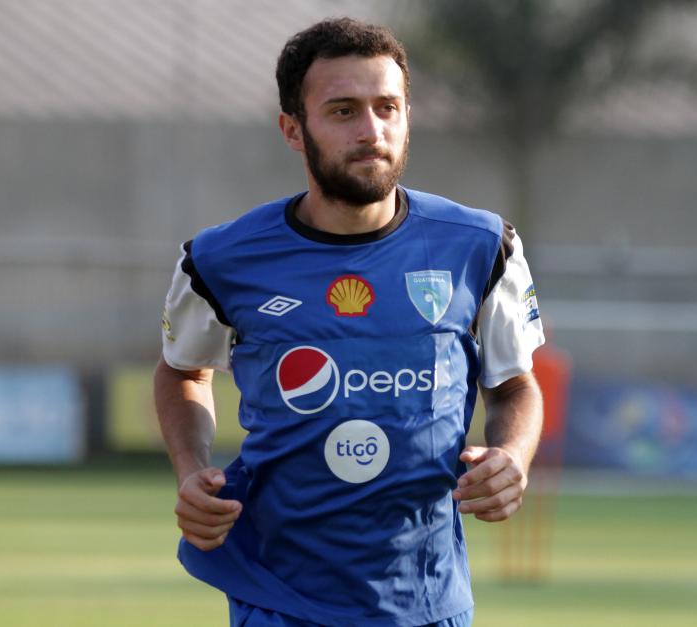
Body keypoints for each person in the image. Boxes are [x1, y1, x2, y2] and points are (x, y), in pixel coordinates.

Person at [154, 17, 544, 627]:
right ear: (293, 129)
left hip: (426, 599)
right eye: (343, 111)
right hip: (277, 595)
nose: (371, 131)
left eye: (387, 107)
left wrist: (512, 458)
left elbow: (515, 384)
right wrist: (191, 470)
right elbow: (182, 371)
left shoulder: (479, 246)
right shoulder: (220, 260)